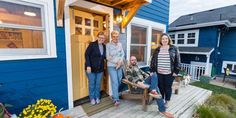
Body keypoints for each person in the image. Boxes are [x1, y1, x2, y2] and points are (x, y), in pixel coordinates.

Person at [150, 33, 180, 108]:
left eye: (166, 38)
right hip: (159, 72)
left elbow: (178, 60)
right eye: (163, 39)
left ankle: (167, 101)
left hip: (169, 73)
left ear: (168, 39)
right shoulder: (157, 49)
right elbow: (153, 60)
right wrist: (152, 70)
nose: (164, 40)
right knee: (160, 87)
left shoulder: (174, 48)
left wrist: (176, 71)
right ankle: (161, 101)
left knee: (168, 87)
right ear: (161, 40)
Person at [85, 31, 106, 105]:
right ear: (97, 37)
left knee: (98, 84)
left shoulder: (104, 46)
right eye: (100, 37)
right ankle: (92, 98)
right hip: (91, 68)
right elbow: (86, 55)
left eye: (103, 38)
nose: (101, 39)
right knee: (92, 84)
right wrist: (88, 65)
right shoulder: (92, 44)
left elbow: (105, 57)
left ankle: (97, 97)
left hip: (100, 69)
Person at [106, 30, 125, 106]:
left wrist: (120, 62)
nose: (115, 38)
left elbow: (122, 54)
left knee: (119, 80)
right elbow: (108, 57)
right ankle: (116, 99)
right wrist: (116, 62)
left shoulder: (120, 44)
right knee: (115, 82)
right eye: (114, 36)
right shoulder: (108, 45)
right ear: (111, 36)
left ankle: (115, 94)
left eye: (117, 36)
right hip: (111, 66)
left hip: (120, 65)